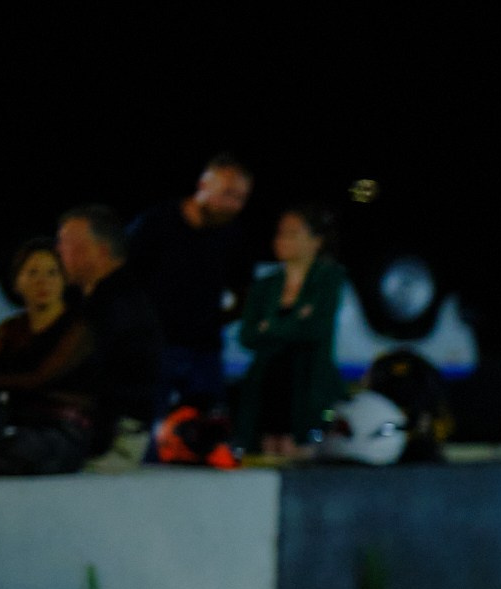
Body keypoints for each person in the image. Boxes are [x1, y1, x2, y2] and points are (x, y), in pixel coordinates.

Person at [126, 154, 253, 417]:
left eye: (241, 198)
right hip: (155, 348)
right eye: (227, 193)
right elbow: (124, 279)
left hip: (204, 352)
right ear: (204, 185)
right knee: (148, 430)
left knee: (209, 433)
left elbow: (244, 290)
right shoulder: (156, 223)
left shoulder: (233, 236)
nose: (233, 204)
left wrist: (216, 320)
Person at [231, 205, 348, 455]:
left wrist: (270, 327)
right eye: (281, 233)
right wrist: (296, 321)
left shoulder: (328, 279)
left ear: (316, 241)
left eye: (293, 233)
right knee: (264, 450)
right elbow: (248, 335)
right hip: (268, 385)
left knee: (300, 451)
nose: (283, 240)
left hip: (307, 385)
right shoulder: (265, 285)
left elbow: (315, 329)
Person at [56, 206, 162, 469]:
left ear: (99, 250)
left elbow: (106, 385)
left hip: (113, 440)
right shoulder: (94, 301)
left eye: (66, 243)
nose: (58, 252)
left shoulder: (117, 306)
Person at [0, 239, 96, 475]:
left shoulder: (78, 330)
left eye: (52, 272)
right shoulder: (9, 330)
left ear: (64, 280)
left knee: (17, 452)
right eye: (32, 272)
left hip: (63, 429)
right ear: (17, 282)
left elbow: (40, 377)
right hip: (16, 423)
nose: (42, 281)